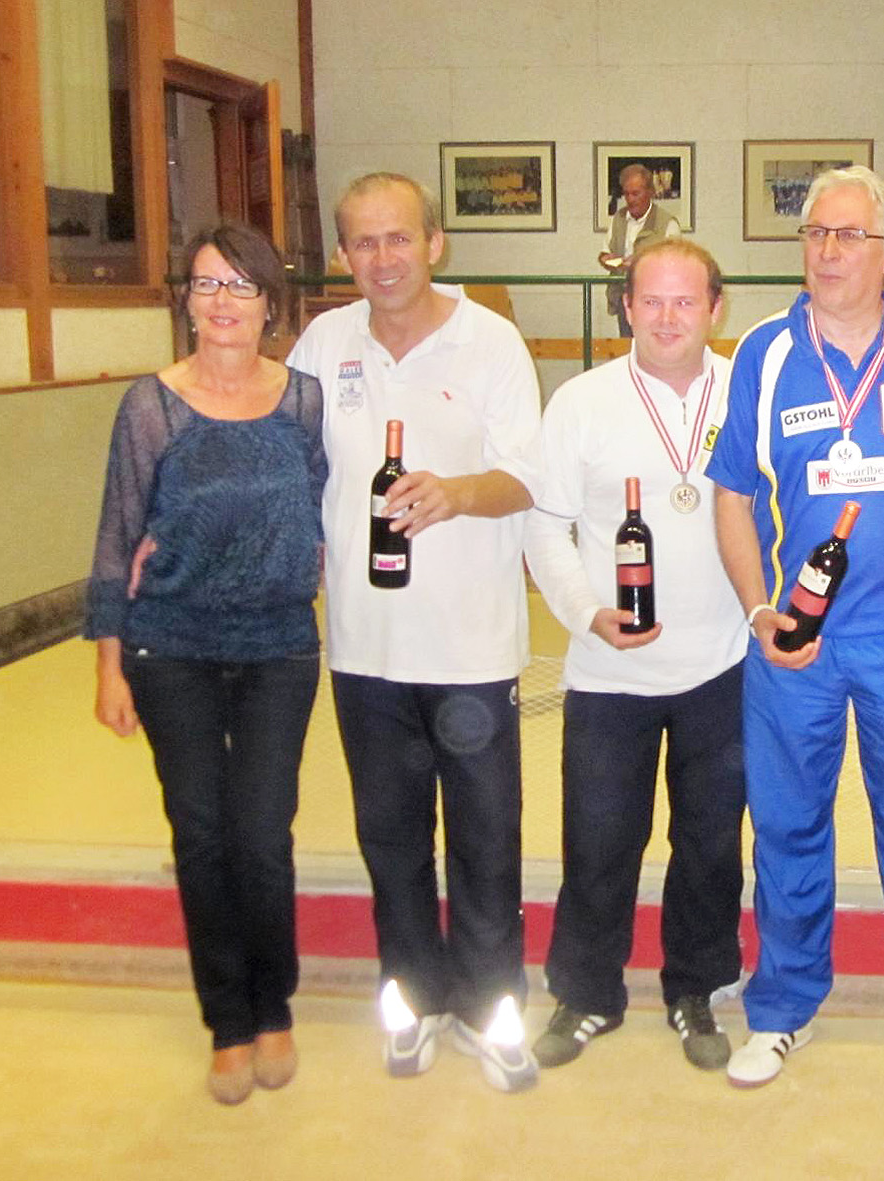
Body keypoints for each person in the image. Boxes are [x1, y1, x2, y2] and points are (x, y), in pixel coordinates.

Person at [707, 165, 884, 1101]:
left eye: (848, 235)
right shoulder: (764, 351)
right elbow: (732, 495)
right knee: (786, 826)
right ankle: (782, 1004)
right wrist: (759, 611)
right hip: (795, 645)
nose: (827, 251)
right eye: (815, 234)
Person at [287, 172, 545, 1093]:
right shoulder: (323, 344)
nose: (383, 258)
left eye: (399, 237)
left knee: (486, 839)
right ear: (342, 255)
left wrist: (457, 492)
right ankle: (413, 999)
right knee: (390, 840)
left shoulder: (492, 341)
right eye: (363, 242)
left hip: (471, 648)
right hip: (365, 649)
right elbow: (288, 466)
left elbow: (527, 477)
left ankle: (490, 1007)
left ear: (434, 243)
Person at [86, 223, 324, 1104]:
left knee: (261, 837)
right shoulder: (151, 406)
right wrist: (109, 665)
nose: (222, 301)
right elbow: (117, 536)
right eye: (205, 284)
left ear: (270, 303)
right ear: (185, 301)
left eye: (240, 285)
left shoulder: (302, 400)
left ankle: (273, 1006)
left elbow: (320, 507)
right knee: (200, 835)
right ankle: (227, 1020)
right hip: (171, 646)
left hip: (277, 647)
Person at [524, 238, 746, 1071]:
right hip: (608, 672)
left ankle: (696, 987)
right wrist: (586, 614)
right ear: (625, 308)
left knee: (710, 845)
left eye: (685, 301)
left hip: (723, 666)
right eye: (650, 300)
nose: (666, 317)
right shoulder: (580, 402)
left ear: (715, 308)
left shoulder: (747, 390)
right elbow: (544, 525)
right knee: (598, 842)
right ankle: (586, 993)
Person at [599, 163, 682, 337]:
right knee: (627, 346)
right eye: (626, 194)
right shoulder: (618, 219)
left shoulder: (668, 224)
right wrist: (607, 260)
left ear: (650, 192)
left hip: (656, 301)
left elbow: (675, 265)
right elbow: (604, 253)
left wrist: (640, 263)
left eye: (636, 193)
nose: (630, 199)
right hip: (624, 299)